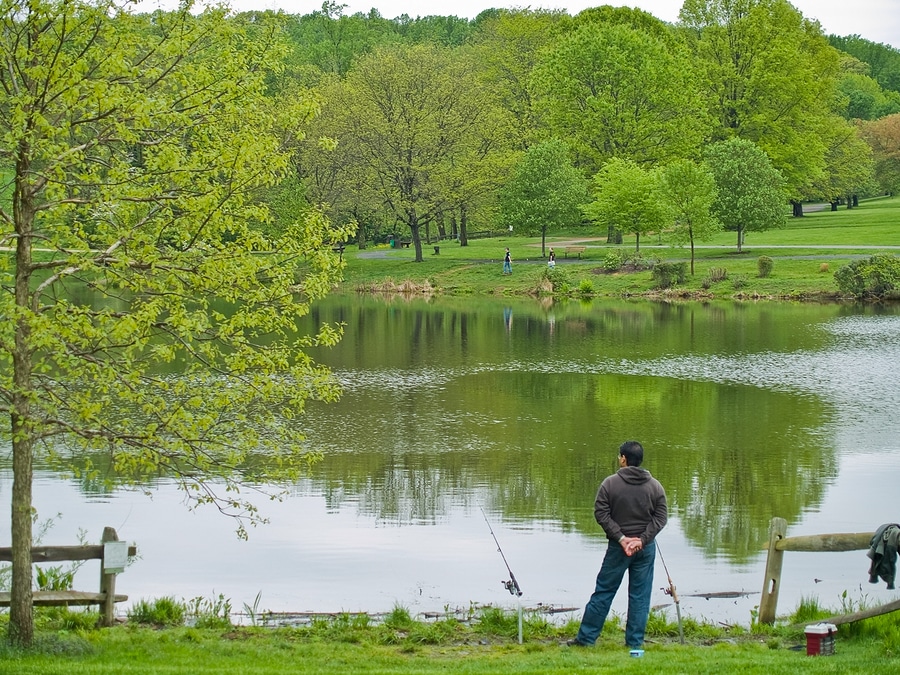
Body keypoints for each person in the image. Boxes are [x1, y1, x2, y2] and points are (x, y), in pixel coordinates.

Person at [570, 440, 667, 649]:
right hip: (644, 549)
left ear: (624, 459)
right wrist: (642, 540)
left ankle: (586, 639)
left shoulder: (610, 484)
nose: (618, 459)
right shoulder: (655, 486)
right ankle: (634, 643)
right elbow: (661, 518)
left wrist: (622, 539)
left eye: (619, 456)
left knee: (604, 591)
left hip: (618, 549)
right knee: (640, 596)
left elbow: (601, 514)